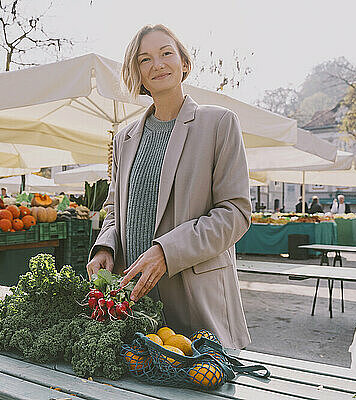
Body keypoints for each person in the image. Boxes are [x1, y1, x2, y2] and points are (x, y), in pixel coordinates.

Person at [86, 25, 251, 349]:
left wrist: (167, 251)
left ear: (184, 63)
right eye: (145, 59)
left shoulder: (218, 123)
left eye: (166, 53)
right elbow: (113, 209)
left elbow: (235, 213)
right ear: (138, 74)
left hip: (194, 301)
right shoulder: (124, 139)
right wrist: (106, 245)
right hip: (133, 303)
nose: (157, 64)